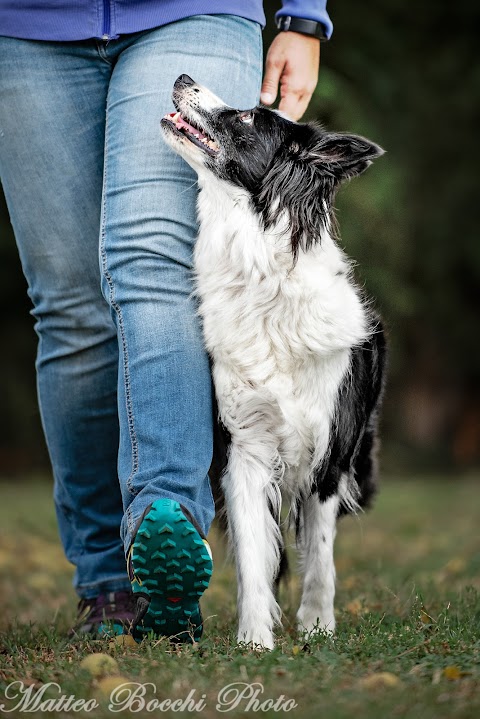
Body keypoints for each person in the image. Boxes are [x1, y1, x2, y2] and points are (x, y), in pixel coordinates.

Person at [0, 0, 332, 641]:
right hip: (24, 25)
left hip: (191, 9)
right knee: (71, 309)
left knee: (155, 265)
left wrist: (303, 14)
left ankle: (164, 519)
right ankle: (107, 584)